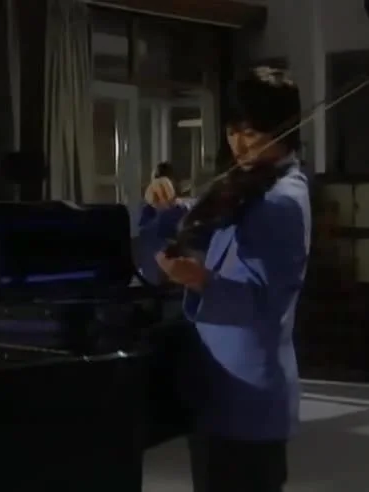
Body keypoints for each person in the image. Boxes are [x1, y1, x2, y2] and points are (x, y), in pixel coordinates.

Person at [137, 66, 309, 492]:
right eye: (232, 132)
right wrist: (161, 202)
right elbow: (196, 213)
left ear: (283, 129)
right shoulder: (247, 185)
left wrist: (202, 281)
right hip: (217, 386)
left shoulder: (282, 202)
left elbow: (266, 305)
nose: (239, 145)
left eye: (251, 132)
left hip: (247, 390)